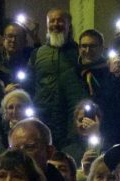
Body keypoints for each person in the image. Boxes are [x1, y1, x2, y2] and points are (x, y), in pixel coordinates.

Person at [29, 8, 88, 147]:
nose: (56, 24)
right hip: (43, 118)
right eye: (52, 21)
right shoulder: (37, 54)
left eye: (60, 20)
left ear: (69, 25)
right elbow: (29, 84)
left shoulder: (80, 53)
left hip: (71, 120)